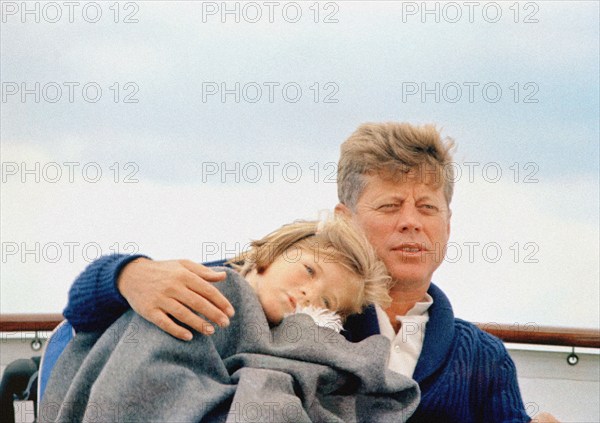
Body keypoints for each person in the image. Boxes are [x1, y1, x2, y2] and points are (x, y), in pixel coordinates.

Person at [60, 122, 557, 422]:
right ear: (344, 221)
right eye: (389, 205)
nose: (411, 221)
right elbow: (84, 311)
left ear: (448, 224)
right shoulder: (281, 293)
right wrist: (129, 275)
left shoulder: (484, 360)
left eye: (428, 207)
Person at [41, 218, 420, 422]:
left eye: (325, 301)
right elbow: (86, 318)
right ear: (273, 254)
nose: (308, 294)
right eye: (307, 270)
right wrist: (125, 274)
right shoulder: (208, 285)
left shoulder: (301, 340)